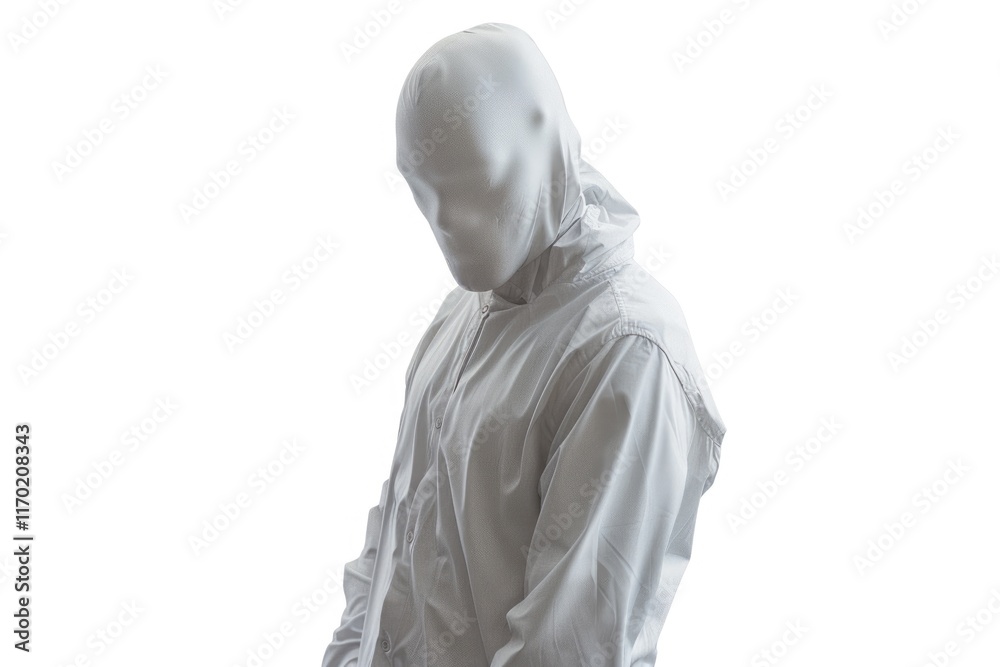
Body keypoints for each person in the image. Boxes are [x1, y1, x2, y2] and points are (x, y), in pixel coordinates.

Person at [322, 22, 726, 667]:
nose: (447, 219)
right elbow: (391, 541)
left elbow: (566, 648)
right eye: (426, 192)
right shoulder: (461, 320)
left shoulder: (625, 354)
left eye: (472, 181)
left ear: (542, 139)